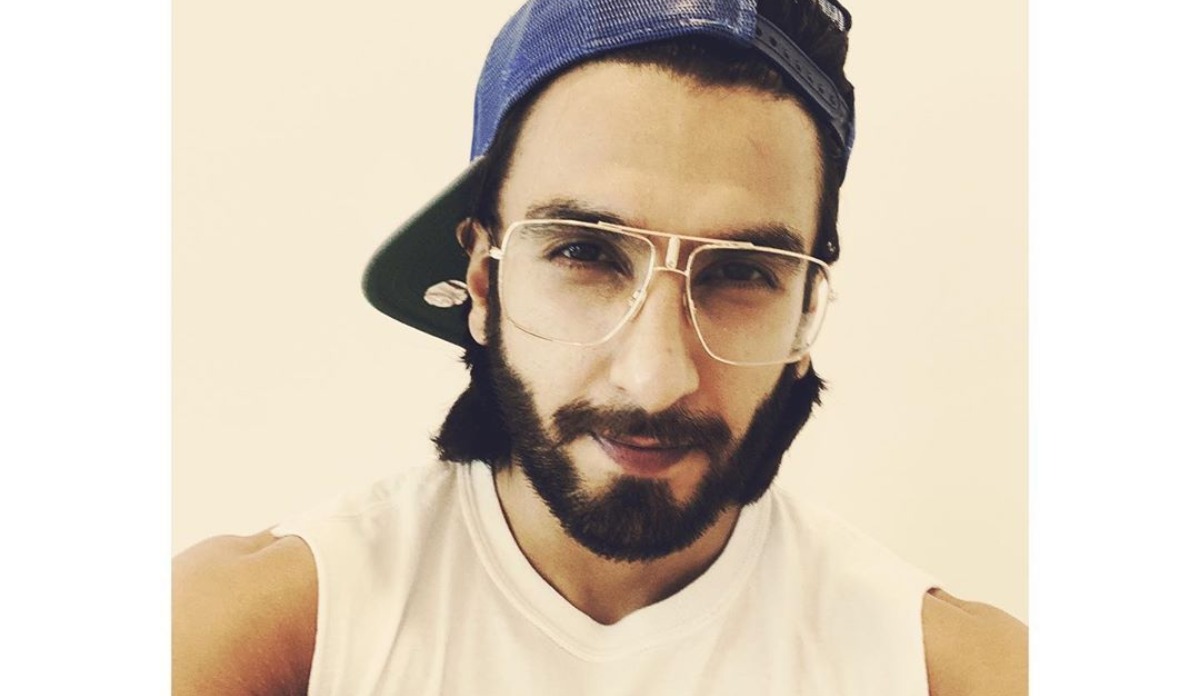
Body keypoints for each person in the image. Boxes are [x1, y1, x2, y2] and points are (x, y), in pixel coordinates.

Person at [173, 0, 1027, 693]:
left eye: (739, 272)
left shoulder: (956, 673)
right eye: (585, 254)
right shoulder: (262, 637)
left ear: (806, 310)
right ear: (483, 281)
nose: (655, 379)